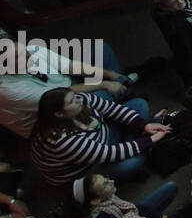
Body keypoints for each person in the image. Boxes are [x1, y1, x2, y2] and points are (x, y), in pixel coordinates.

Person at [0, 27, 134, 142]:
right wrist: (105, 84)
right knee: (104, 94)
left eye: (24, 51)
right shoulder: (7, 90)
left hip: (69, 88)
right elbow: (59, 96)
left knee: (101, 50)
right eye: (18, 57)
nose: (28, 56)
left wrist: (111, 75)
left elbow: (70, 67)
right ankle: (125, 101)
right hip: (54, 117)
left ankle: (122, 96)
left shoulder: (31, 50)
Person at [29, 89, 170, 186]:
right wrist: (152, 139)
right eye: (72, 101)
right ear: (59, 114)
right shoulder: (62, 140)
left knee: (139, 104)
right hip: (88, 168)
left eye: (74, 96)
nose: (78, 100)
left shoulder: (81, 99)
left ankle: (142, 137)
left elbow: (113, 109)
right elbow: (109, 154)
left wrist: (144, 125)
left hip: (101, 138)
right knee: (132, 163)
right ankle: (143, 141)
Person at [63, 173, 177, 218]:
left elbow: (134, 209)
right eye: (105, 184)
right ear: (95, 201)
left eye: (106, 178)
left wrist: (153, 216)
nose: (111, 181)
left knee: (171, 187)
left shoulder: (106, 202)